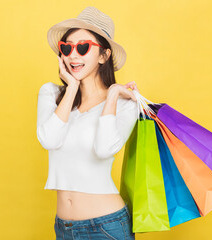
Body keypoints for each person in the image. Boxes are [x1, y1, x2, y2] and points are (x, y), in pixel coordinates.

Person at [37, 6, 139, 239]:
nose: (73, 55)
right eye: (67, 48)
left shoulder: (125, 104)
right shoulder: (51, 94)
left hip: (107, 226)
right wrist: (72, 87)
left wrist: (112, 95)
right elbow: (48, 139)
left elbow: (104, 150)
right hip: (64, 228)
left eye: (83, 47)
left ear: (104, 55)